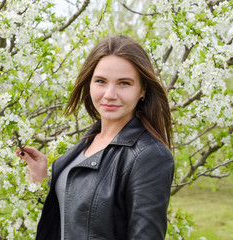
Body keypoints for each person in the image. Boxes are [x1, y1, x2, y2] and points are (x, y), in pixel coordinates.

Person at [16, 35, 174, 240]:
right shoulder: (88, 142)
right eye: (101, 81)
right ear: (89, 84)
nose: (109, 94)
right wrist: (43, 180)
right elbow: (80, 217)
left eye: (124, 83)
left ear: (142, 90)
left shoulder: (150, 156)